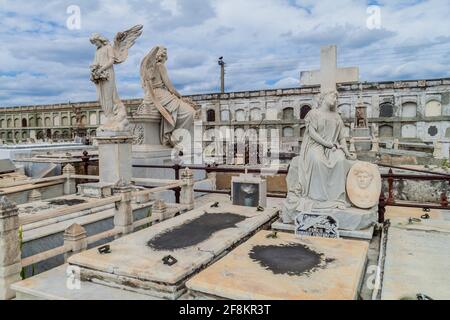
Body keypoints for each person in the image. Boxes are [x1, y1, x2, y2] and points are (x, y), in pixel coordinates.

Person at [282, 91, 356, 223]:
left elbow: (341, 137)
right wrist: (327, 144)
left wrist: (346, 152)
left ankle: (336, 198)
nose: (335, 98)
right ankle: (318, 198)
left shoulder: (336, 117)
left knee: (339, 161)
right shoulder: (314, 114)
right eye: (332, 96)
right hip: (314, 145)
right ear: (323, 98)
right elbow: (312, 133)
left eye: (336, 97)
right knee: (318, 161)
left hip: (333, 147)